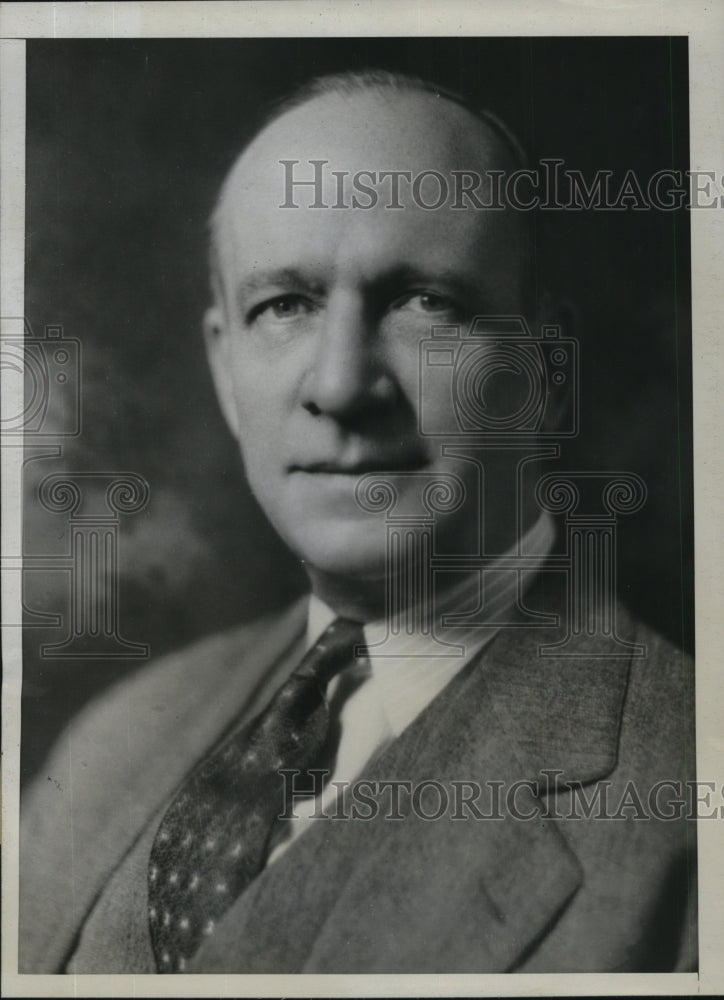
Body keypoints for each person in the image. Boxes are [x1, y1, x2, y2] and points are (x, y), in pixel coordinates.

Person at [19, 70, 696, 974]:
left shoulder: (686, 806)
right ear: (226, 370)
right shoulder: (113, 741)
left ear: (548, 370)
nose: (340, 385)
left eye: (425, 301)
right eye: (283, 307)